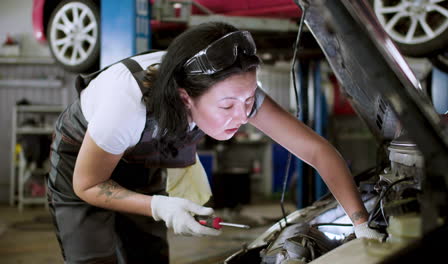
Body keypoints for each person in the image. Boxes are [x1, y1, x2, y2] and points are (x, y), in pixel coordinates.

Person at [47, 21, 382, 264]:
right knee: (92, 256)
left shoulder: (234, 90)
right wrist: (158, 206)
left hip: (139, 160)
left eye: (249, 100)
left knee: (147, 254)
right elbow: (88, 184)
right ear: (185, 97)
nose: (242, 114)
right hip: (82, 162)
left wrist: (361, 224)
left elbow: (317, 150)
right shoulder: (129, 103)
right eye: (226, 107)